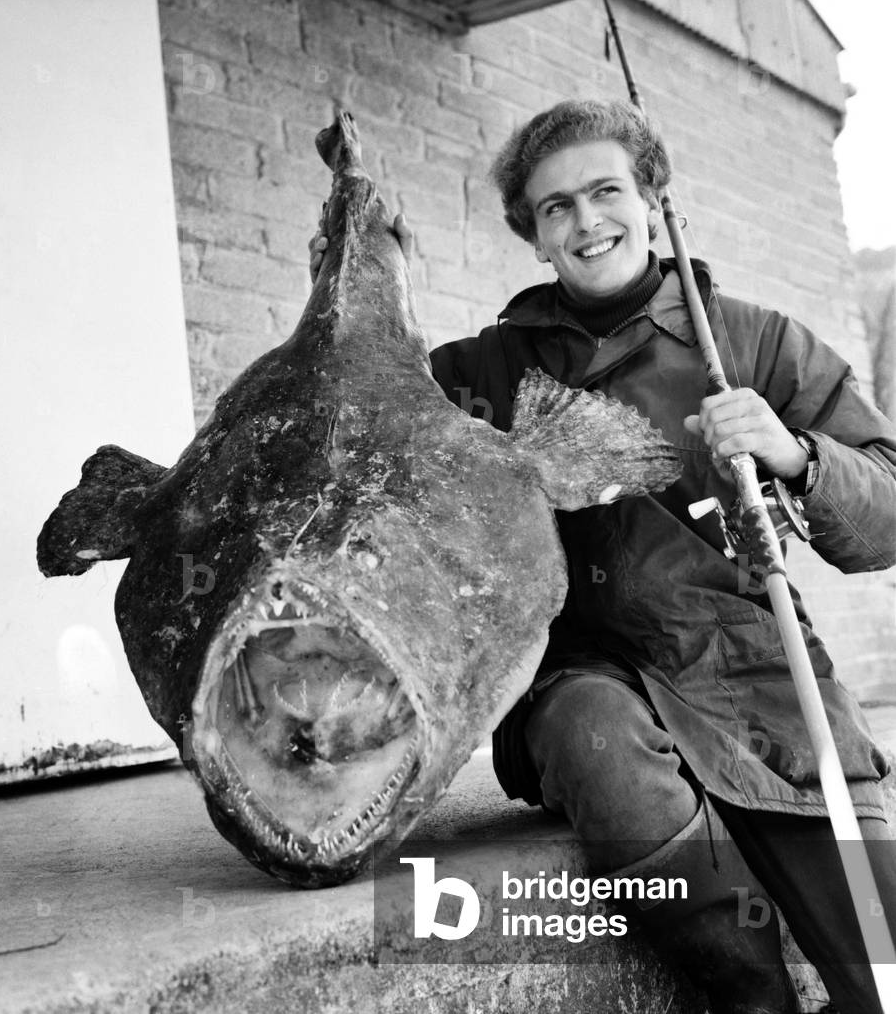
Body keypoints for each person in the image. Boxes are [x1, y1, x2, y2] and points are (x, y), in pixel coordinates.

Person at [310, 99, 896, 1014]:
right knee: (596, 737)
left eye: (606, 191)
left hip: (761, 683)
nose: (586, 221)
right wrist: (351, 303)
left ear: (652, 198)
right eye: (556, 207)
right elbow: (360, 460)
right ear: (533, 235)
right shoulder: (476, 373)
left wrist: (795, 455)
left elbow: (887, 515)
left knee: (885, 967)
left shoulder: (757, 341)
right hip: (578, 679)